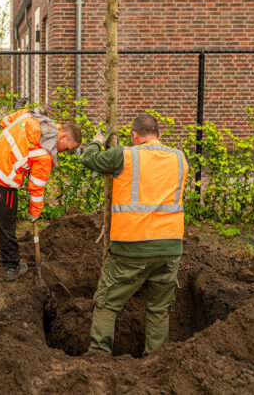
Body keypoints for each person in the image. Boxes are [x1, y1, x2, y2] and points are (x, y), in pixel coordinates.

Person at [82, 113, 188, 356]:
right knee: (159, 310)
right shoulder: (180, 158)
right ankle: (155, 363)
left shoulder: (125, 155)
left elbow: (90, 160)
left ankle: (98, 359)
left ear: (134, 136)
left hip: (131, 246)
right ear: (160, 136)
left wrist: (97, 141)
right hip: (169, 249)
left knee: (107, 304)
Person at [0, 109, 82, 281]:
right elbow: (36, 187)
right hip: (2, 181)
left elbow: (5, 122)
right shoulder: (45, 153)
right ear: (63, 135)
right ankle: (12, 267)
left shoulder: (29, 117)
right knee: (7, 224)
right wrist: (35, 213)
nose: (65, 153)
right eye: (68, 148)